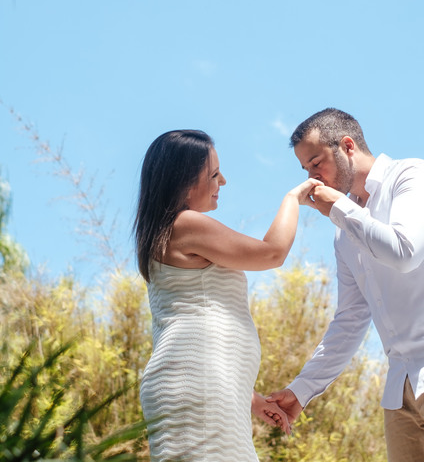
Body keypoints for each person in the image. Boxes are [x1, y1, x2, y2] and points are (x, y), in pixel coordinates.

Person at [267, 108, 424, 462]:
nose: (312, 177)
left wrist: (340, 208)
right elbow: (349, 320)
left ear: (347, 146)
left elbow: (404, 250)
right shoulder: (344, 233)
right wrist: (302, 390)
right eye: (306, 169)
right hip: (401, 391)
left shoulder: (413, 176)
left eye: (316, 162)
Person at [134, 129, 318, 462]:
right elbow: (271, 253)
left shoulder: (165, 230)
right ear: (185, 181)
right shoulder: (186, 224)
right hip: (197, 382)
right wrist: (293, 200)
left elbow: (190, 315)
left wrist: (248, 397)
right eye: (214, 174)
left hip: (200, 381)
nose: (224, 181)